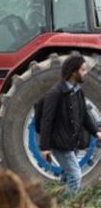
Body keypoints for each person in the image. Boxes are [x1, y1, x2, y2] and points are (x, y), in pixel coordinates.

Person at [38, 54, 101, 194]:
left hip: (71, 142)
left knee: (67, 176)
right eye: (83, 70)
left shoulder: (78, 92)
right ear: (74, 72)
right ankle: (68, 207)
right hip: (60, 143)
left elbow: (84, 115)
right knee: (75, 175)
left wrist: (96, 132)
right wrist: (45, 147)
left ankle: (57, 200)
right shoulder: (55, 94)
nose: (86, 73)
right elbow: (46, 121)